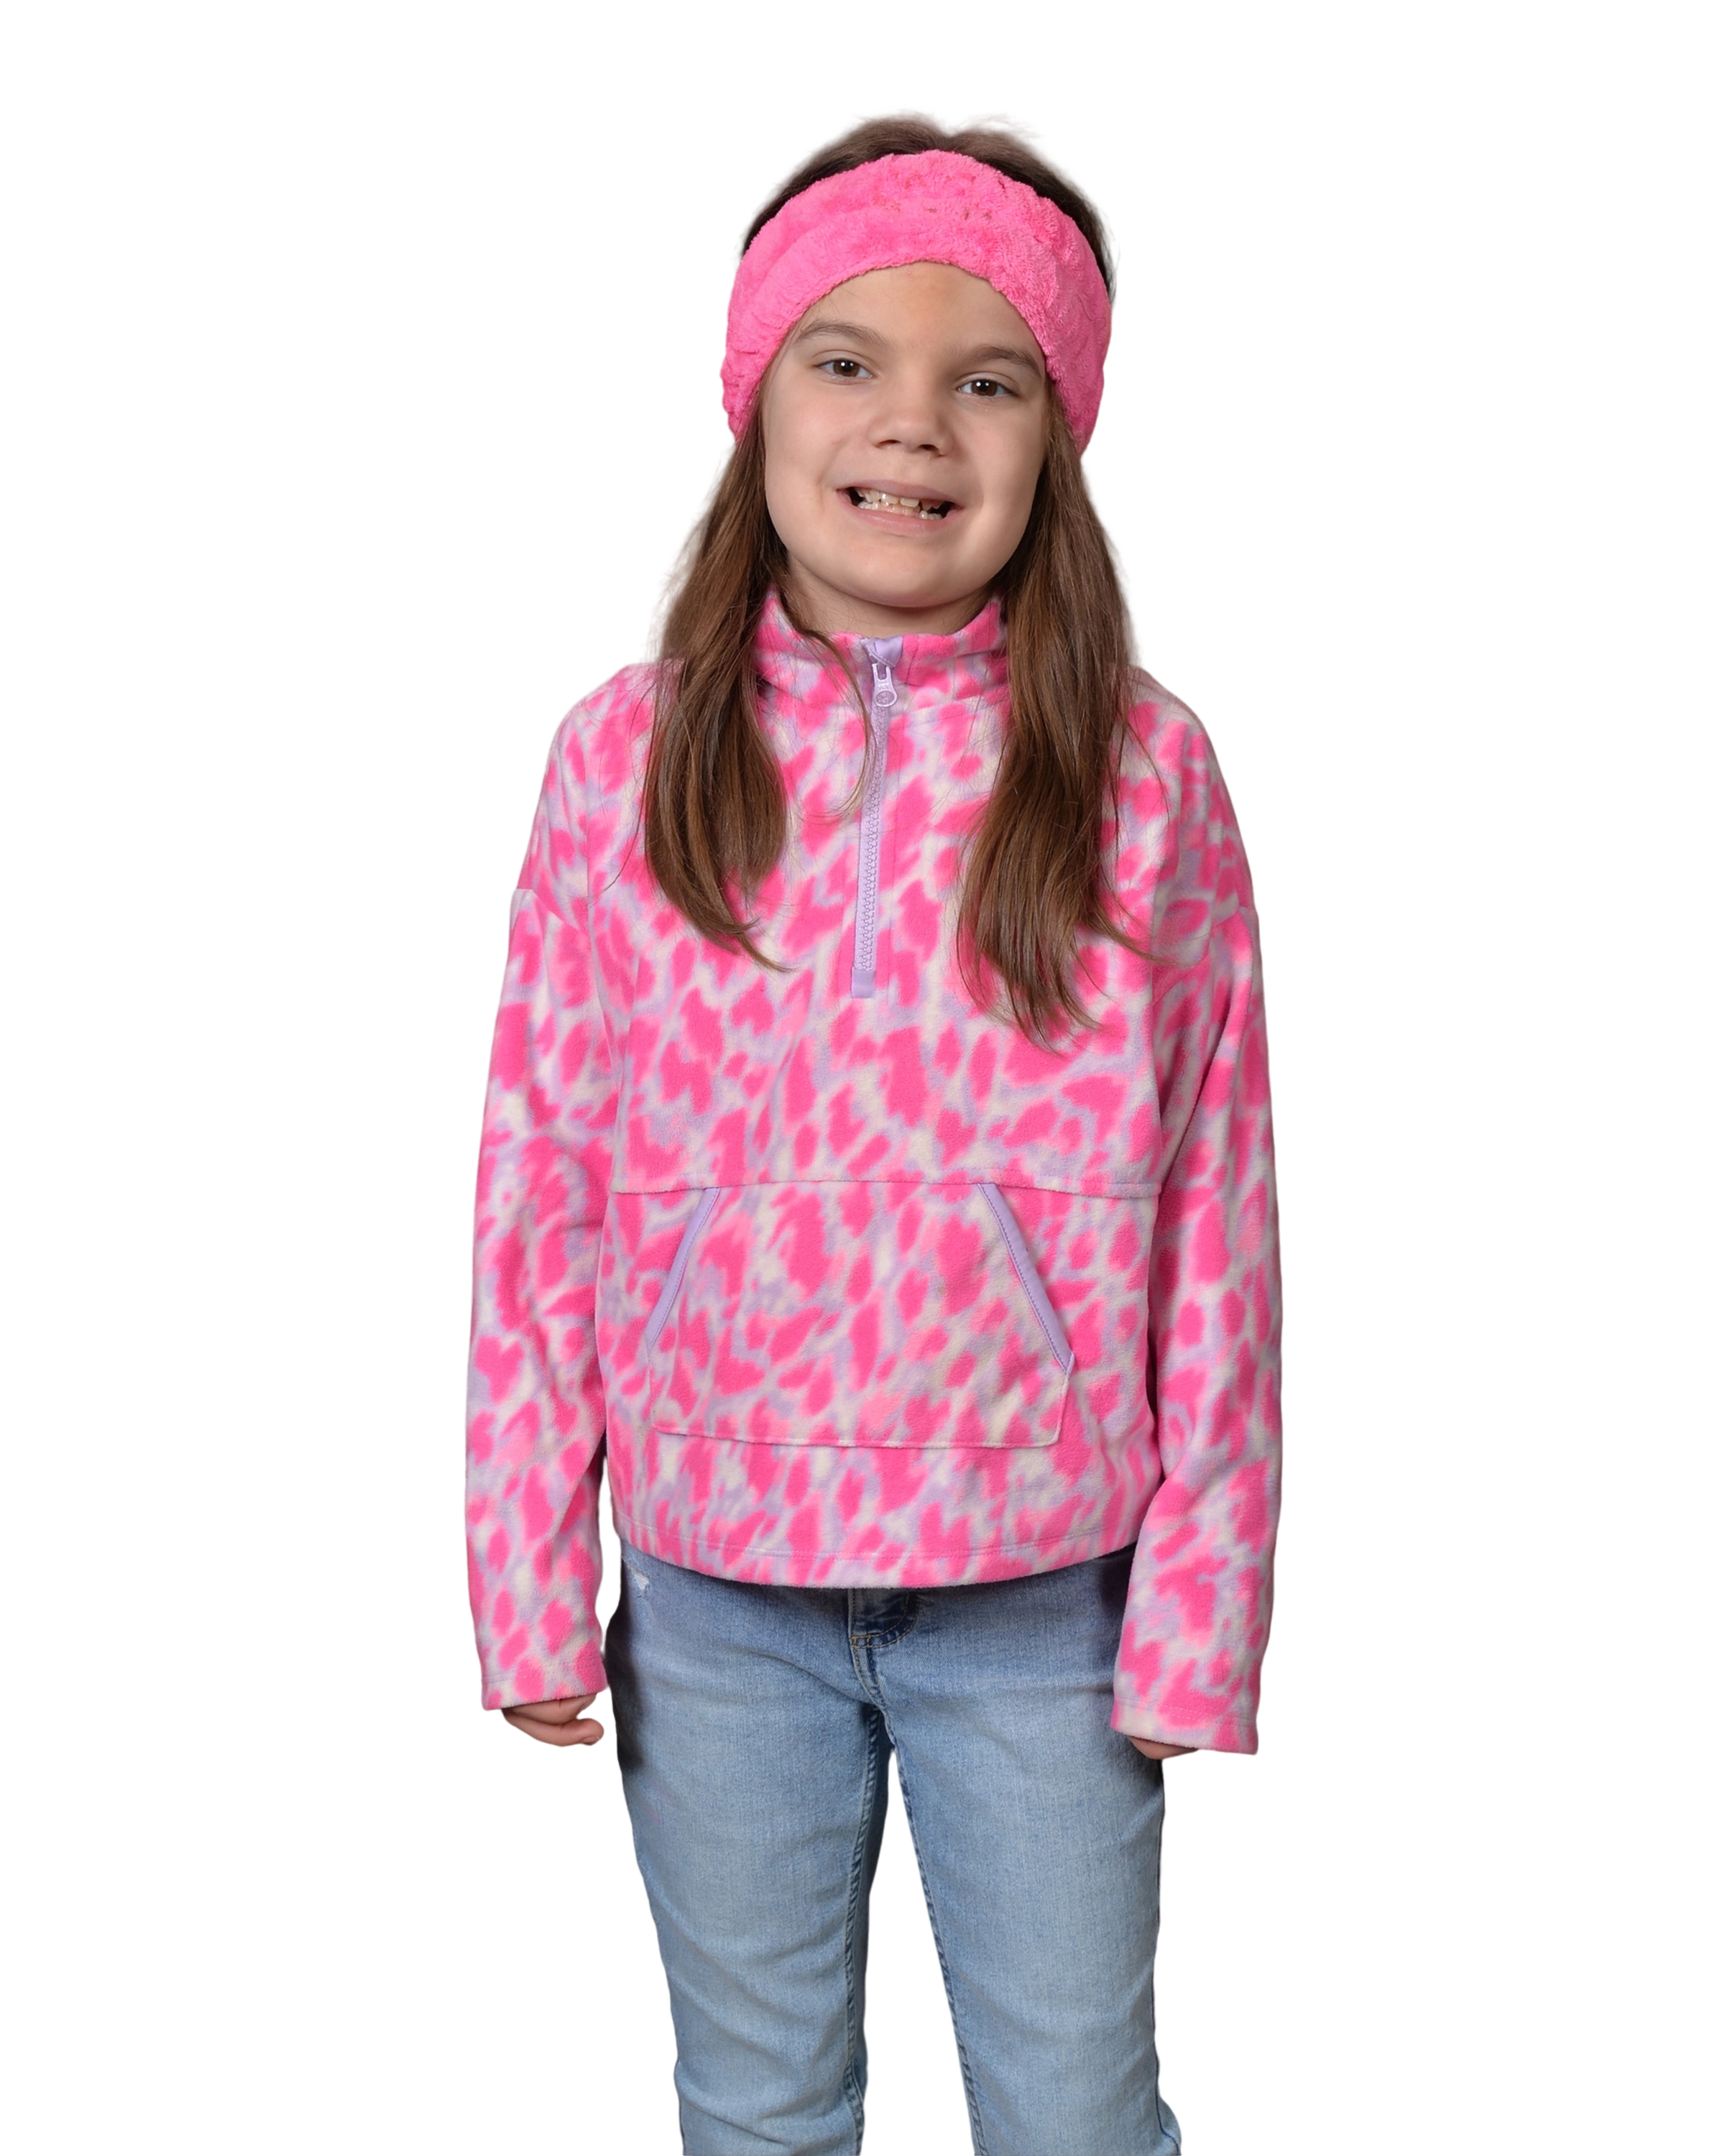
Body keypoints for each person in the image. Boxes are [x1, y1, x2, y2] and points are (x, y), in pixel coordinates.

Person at [462, 103, 1284, 2156]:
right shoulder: (621, 753)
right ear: (755, 396)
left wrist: (1202, 1612)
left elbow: (1221, 1211)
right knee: (759, 2111)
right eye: (849, 359)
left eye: (987, 379)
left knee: (1078, 2114)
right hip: (713, 1599)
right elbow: (539, 1184)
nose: (913, 422)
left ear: (1058, 438)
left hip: (1046, 1602)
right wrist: (527, 1574)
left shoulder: (1145, 772)